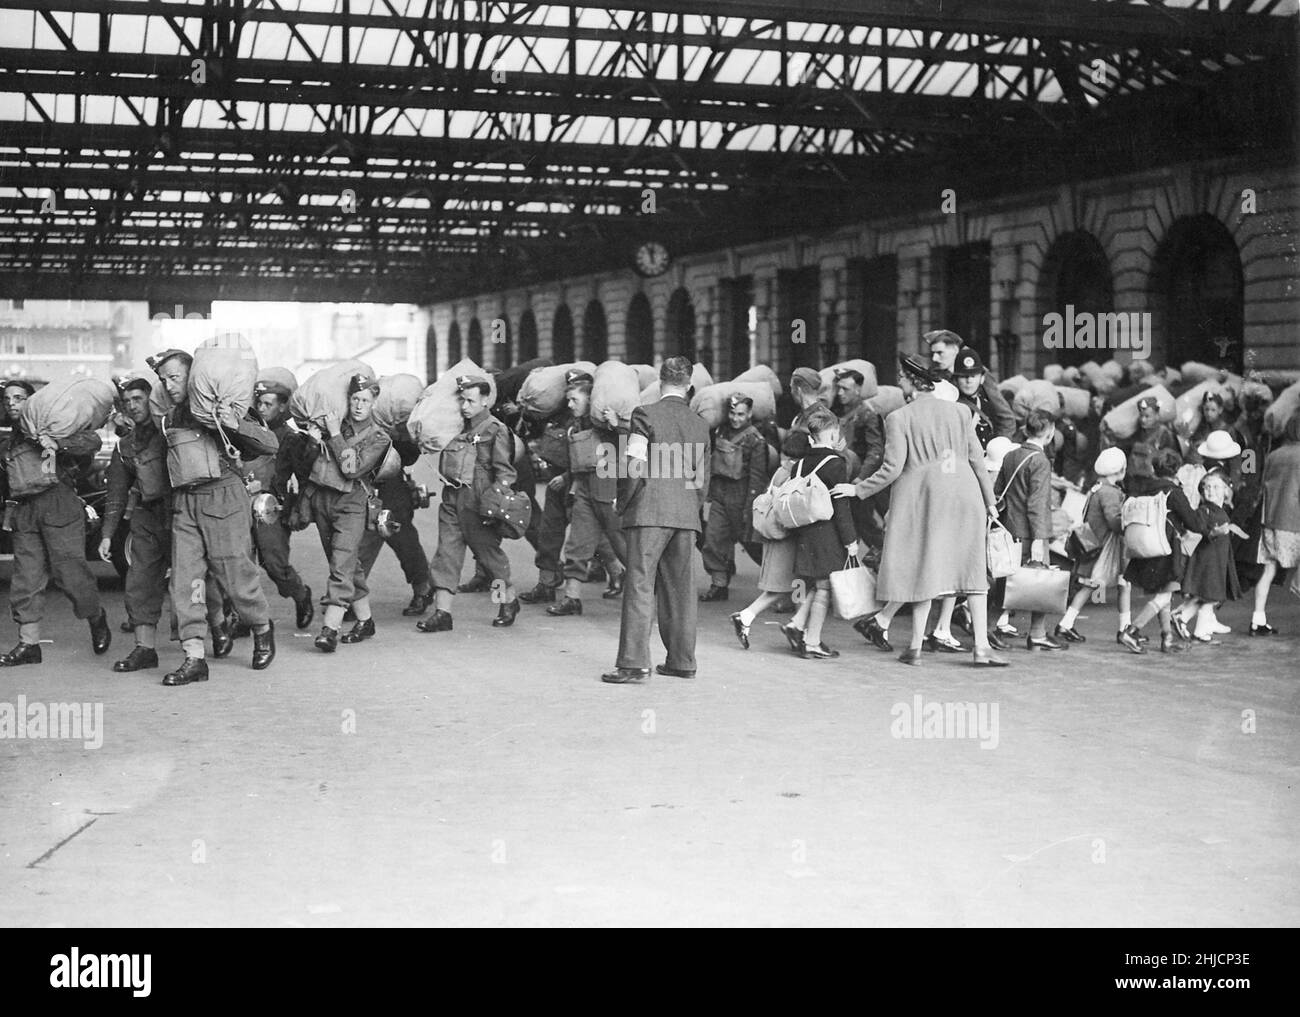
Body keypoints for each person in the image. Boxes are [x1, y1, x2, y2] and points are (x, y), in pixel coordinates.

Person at [835, 354, 1007, 667]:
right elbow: (976, 461)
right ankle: (981, 647)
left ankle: (914, 647)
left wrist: (858, 489)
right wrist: (991, 502)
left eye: (900, 377)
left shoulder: (899, 418)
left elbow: (892, 468)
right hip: (966, 493)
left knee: (926, 567)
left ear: (909, 381)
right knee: (972, 571)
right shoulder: (960, 412)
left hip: (926, 497)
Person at [151, 349, 276, 685]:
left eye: (174, 377)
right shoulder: (170, 416)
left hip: (223, 498)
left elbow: (269, 444)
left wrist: (233, 423)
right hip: (185, 503)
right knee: (185, 581)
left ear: (193, 377)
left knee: (235, 574)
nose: (168, 384)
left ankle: (262, 629)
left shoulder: (221, 409)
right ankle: (194, 658)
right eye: (164, 379)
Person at [602, 356, 711, 684]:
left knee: (639, 584)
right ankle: (682, 661)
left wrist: (623, 499)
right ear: (689, 386)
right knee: (681, 590)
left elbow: (634, 463)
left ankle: (634, 664)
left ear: (660, 383)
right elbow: (701, 480)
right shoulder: (700, 424)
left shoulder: (644, 414)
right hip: (685, 513)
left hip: (649, 511)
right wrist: (692, 508)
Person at [0, 379, 112, 667]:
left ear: (33, 402)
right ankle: (29, 644)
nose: (12, 403)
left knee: (70, 574)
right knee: (26, 578)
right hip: (24, 510)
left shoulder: (55, 428)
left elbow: (92, 441)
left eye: (19, 398)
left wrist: (58, 443)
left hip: (58, 504)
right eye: (8, 399)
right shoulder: (8, 440)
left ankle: (96, 617)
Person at [419, 373, 521, 632]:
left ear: (486, 400)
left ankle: (507, 602)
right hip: (452, 497)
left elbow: (506, 473)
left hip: (480, 500)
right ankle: (442, 613)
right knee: (446, 554)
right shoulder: (454, 427)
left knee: (488, 556)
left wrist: (494, 504)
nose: (465, 406)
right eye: (462, 400)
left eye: (471, 401)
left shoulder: (495, 430)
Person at [300, 373, 392, 651]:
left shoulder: (378, 437)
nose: (359, 405)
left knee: (341, 566)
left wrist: (335, 436)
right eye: (355, 399)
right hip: (324, 500)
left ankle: (330, 628)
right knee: (348, 564)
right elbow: (308, 463)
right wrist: (313, 442)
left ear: (374, 403)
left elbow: (352, 468)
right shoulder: (333, 424)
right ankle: (365, 620)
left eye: (365, 400)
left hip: (352, 503)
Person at [98, 378, 170, 671]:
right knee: (139, 582)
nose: (132, 406)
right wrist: (106, 535)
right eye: (127, 401)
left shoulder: (171, 434)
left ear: (152, 399)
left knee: (202, 582)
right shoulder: (125, 446)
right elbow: (116, 494)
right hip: (147, 516)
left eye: (138, 398)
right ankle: (145, 649)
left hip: (182, 514)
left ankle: (213, 632)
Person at [779, 408, 859, 659]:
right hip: (828, 534)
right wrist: (851, 540)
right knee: (824, 588)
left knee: (815, 582)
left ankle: (797, 623)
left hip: (804, 532)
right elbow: (841, 506)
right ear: (834, 433)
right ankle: (812, 640)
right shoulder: (836, 463)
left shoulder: (799, 463)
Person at [546, 371, 627, 617]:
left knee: (624, 544)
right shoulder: (576, 426)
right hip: (584, 489)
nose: (570, 405)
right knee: (578, 543)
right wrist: (567, 478)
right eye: (569, 400)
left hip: (609, 488)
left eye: (574, 400)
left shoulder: (606, 424)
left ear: (590, 400)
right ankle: (572, 598)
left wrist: (617, 423)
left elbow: (633, 444)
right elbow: (579, 460)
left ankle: (647, 593)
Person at [1118, 447, 1212, 654]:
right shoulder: (1173, 493)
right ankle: (1132, 631)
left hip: (1145, 548)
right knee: (1163, 597)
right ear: (1177, 469)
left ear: (1154, 468)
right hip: (1167, 551)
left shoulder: (1143, 489)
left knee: (1165, 596)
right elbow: (1194, 523)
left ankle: (1167, 637)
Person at [991, 409, 1063, 651]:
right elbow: (1037, 503)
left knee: (1006, 583)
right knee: (1040, 582)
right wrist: (1039, 539)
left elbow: (998, 489)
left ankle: (989, 629)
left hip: (1011, 528)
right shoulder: (1040, 461)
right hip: (1032, 532)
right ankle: (1037, 633)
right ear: (1050, 433)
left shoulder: (1011, 455)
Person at [247, 379, 315, 631]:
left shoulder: (291, 438)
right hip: (242, 505)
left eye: (268, 404)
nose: (262, 408)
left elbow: (304, 474)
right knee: (241, 565)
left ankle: (300, 594)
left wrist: (295, 506)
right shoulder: (247, 430)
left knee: (274, 563)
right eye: (259, 403)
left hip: (270, 509)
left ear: (283, 407)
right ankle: (246, 617)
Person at [355, 417, 435, 618]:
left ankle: (423, 589)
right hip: (360, 485)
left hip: (391, 486)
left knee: (403, 539)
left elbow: (409, 456)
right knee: (360, 542)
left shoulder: (395, 420)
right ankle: (352, 596)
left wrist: (395, 436)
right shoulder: (350, 418)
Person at [699, 393, 775, 602]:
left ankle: (781, 586)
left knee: (754, 546)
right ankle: (719, 584)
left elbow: (757, 477)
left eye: (741, 414)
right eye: (732, 413)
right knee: (713, 539)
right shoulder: (720, 430)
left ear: (749, 413)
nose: (735, 419)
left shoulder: (755, 440)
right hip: (721, 493)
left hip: (743, 496)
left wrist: (750, 508)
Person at [1055, 447, 1131, 644]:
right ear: (1121, 470)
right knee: (1123, 584)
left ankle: (1066, 623)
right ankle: (1125, 628)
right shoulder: (1111, 493)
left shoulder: (1096, 488)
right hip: (1107, 548)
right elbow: (1115, 521)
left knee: (1089, 586)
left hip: (1092, 545)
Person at [1249, 411, 1300, 635]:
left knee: (1268, 570)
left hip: (1270, 520)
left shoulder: (1273, 455)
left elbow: (1260, 484)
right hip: (1294, 522)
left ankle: (1257, 620)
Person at [1173, 471, 1238, 642]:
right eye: (1207, 487)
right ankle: (1193, 625)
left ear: (1226, 490)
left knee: (1206, 595)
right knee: (1209, 595)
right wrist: (1214, 532)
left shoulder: (1220, 511)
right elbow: (1200, 529)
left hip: (1216, 559)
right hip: (1207, 560)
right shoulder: (1204, 511)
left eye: (1216, 487)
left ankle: (1187, 619)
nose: (1211, 490)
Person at [927, 331, 1015, 438]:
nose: (934, 358)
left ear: (955, 350)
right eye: (933, 354)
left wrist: (1000, 448)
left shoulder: (979, 374)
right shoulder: (938, 376)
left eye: (940, 353)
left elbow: (1005, 416)